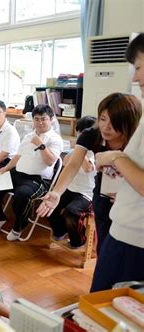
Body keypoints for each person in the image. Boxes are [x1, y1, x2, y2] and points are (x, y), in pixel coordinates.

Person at [37, 93, 141, 253]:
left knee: (128, 248)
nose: (106, 127)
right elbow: (72, 165)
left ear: (128, 122)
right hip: (103, 194)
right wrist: (56, 192)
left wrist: (126, 193)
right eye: (103, 119)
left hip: (134, 198)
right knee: (105, 245)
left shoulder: (137, 140)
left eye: (114, 122)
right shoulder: (91, 134)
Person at [88, 33, 144, 291]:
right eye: (102, 119)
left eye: (140, 67)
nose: (136, 77)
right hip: (121, 224)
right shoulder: (91, 134)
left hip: (132, 237)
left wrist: (114, 157)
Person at [0, 105, 63, 240]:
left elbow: (50, 161)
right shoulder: (28, 136)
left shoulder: (55, 139)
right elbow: (17, 156)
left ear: (52, 119)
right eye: (36, 119)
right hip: (18, 174)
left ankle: (19, 226)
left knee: (21, 195)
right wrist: (6, 168)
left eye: (43, 119)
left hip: (38, 180)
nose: (40, 123)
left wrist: (40, 144)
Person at [47, 116, 97, 248]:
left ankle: (79, 241)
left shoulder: (95, 152)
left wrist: (82, 150)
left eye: (85, 132)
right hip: (71, 188)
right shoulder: (76, 150)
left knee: (72, 212)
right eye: (80, 132)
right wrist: (76, 150)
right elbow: (65, 163)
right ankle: (60, 231)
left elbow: (88, 168)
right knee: (49, 205)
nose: (81, 135)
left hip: (87, 193)